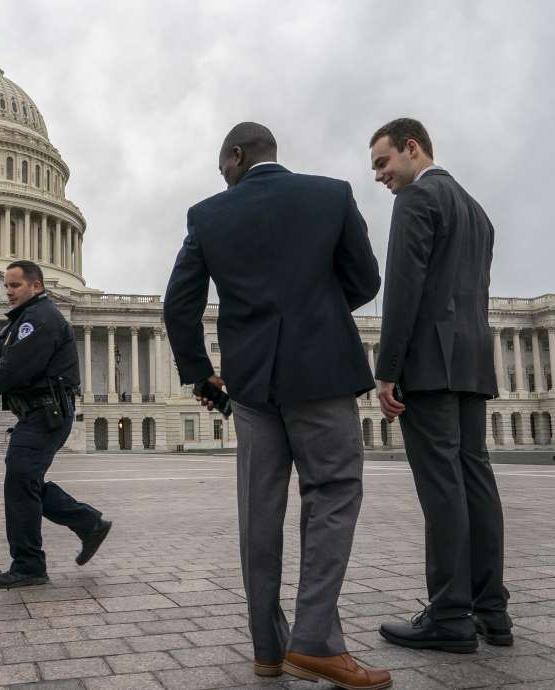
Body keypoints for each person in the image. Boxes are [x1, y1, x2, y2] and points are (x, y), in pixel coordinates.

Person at [163, 122, 390, 689]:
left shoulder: (208, 215)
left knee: (258, 512)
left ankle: (269, 647)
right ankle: (313, 640)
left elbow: (178, 306)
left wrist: (201, 374)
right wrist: (316, 307)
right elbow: (365, 280)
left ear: (237, 156)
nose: (225, 178)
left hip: (250, 382)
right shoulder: (331, 194)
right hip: (321, 372)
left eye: (225, 168)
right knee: (332, 492)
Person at [369, 118, 511, 652]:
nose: (380, 176)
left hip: (429, 365)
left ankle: (450, 613)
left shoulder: (415, 200)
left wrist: (387, 371)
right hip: (474, 360)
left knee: (441, 488)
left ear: (412, 148)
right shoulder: (477, 211)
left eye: (383, 162)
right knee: (476, 481)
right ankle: (492, 610)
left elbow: (403, 291)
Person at [0, 260, 111, 589]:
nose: (9, 292)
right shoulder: (22, 321)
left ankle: (30, 564)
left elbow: (16, 365)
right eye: (7, 286)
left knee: (20, 481)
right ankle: (88, 523)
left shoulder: (40, 319)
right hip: (38, 414)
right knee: (23, 482)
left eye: (15, 286)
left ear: (36, 286)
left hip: (47, 413)